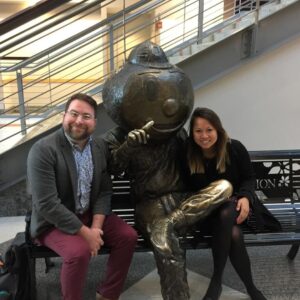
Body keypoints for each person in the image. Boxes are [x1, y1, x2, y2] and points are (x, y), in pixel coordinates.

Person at [27, 93, 138, 300]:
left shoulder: (99, 147)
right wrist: (86, 234)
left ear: (94, 122)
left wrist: (95, 227)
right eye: (74, 114)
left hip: (87, 215)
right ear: (64, 116)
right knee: (78, 253)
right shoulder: (43, 150)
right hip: (52, 223)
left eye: (86, 116)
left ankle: (107, 294)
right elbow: (47, 204)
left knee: (128, 237)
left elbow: (104, 190)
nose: (79, 120)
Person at [186, 107, 267, 300]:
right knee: (233, 233)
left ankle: (217, 280)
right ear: (192, 133)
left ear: (218, 130)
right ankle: (251, 289)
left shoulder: (234, 148)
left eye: (209, 130)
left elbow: (249, 178)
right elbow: (186, 188)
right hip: (207, 213)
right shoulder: (188, 152)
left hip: (239, 209)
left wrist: (246, 197)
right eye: (198, 131)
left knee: (229, 217)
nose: (204, 136)